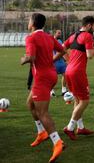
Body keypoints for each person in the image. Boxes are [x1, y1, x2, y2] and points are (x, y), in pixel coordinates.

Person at [20, 13, 65, 162]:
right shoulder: (49, 37)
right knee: (30, 104)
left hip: (41, 78)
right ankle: (41, 133)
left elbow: (31, 57)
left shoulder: (31, 37)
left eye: (29, 20)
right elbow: (62, 50)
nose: (28, 22)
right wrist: (50, 61)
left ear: (32, 23)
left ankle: (57, 142)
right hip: (51, 75)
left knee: (42, 112)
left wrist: (23, 60)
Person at [61, 16, 94, 140]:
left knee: (78, 100)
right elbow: (90, 55)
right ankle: (70, 127)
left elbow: (62, 47)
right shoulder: (88, 36)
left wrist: (68, 61)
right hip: (78, 72)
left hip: (69, 71)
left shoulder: (73, 35)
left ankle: (81, 127)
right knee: (85, 101)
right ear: (88, 26)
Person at [53, 30, 69, 96]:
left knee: (65, 74)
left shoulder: (60, 41)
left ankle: (63, 90)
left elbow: (63, 51)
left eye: (60, 33)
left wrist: (66, 60)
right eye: (58, 33)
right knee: (53, 77)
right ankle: (51, 91)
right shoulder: (50, 40)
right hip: (54, 61)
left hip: (61, 61)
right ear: (55, 33)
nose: (60, 34)